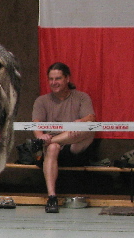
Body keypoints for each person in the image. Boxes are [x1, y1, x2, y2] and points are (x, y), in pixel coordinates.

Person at [32, 62, 96, 213]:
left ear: (67, 78)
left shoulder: (82, 97)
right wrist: (41, 137)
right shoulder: (41, 101)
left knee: (87, 128)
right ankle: (52, 197)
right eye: (51, 79)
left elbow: (91, 117)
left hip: (75, 147)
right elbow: (36, 125)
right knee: (53, 147)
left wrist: (81, 122)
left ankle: (54, 140)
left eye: (58, 78)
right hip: (50, 150)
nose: (54, 83)